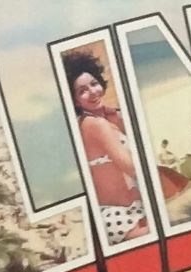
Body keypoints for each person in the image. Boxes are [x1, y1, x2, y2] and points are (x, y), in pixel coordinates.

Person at [63, 49, 150, 247]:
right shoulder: (94, 124)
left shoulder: (103, 120)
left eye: (94, 84)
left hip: (135, 209)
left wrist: (118, 116)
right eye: (82, 90)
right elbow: (134, 168)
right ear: (75, 100)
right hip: (119, 218)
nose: (93, 91)